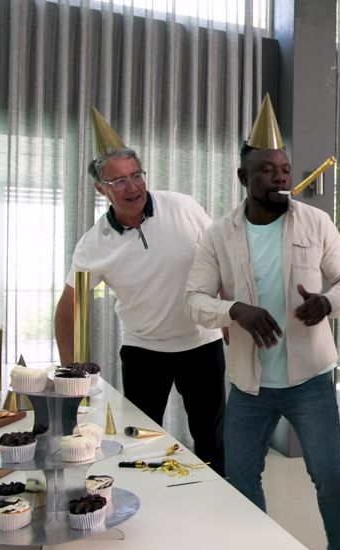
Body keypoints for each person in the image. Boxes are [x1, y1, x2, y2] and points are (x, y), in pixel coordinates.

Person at [183, 94, 340, 550]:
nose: (281, 177)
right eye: (268, 170)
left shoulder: (315, 221)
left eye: (285, 169)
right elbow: (195, 301)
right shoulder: (219, 234)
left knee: (329, 476)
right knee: (240, 477)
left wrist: (328, 302)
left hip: (311, 381)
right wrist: (236, 310)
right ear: (244, 178)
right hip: (248, 385)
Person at [55, 107, 226, 475]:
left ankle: (218, 507)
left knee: (212, 439)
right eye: (119, 181)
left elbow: (219, 258)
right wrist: (70, 370)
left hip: (201, 343)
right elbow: (67, 309)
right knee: (142, 439)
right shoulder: (93, 245)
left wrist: (227, 316)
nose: (132, 187)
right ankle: (146, 508)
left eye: (136, 176)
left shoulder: (182, 206)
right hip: (144, 349)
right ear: (101, 189)